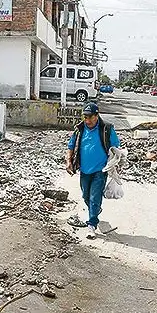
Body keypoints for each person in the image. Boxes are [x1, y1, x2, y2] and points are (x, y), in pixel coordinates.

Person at [66, 102, 120, 238]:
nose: (87, 120)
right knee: (85, 196)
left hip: (100, 170)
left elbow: (116, 148)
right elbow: (71, 146)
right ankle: (95, 210)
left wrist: (115, 163)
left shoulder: (106, 129)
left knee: (94, 196)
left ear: (97, 116)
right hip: (84, 169)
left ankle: (92, 225)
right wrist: (69, 162)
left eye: (90, 117)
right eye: (85, 117)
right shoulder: (80, 129)